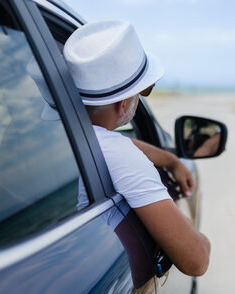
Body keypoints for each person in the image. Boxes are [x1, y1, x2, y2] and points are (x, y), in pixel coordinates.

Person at [64, 20, 210, 276]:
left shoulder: (61, 136)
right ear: (122, 105)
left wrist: (171, 161)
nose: (140, 97)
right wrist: (198, 235)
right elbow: (195, 261)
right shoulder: (117, 154)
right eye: (140, 92)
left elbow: (110, 143)